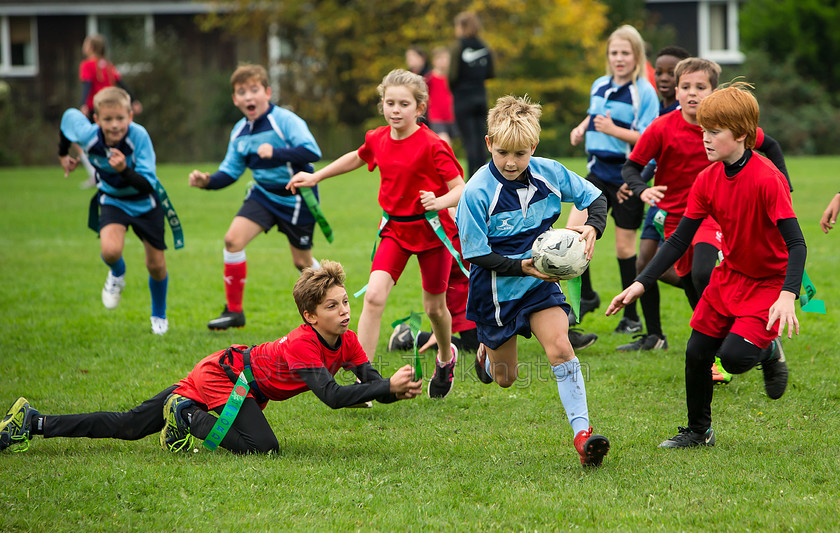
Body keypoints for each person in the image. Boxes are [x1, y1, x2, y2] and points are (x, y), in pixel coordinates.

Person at [0, 261, 423, 455]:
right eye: (332, 307)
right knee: (265, 448)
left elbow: (367, 382)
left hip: (231, 377)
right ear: (310, 316)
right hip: (227, 379)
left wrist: (394, 389)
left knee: (130, 426)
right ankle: (186, 418)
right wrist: (384, 386)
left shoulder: (345, 340)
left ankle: (32, 422)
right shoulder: (303, 343)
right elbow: (331, 396)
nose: (345, 311)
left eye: (344, 302)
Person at [606, 83, 805, 449]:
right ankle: (700, 432)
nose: (706, 139)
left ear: (743, 135)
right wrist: (641, 283)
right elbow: (679, 239)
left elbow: (797, 242)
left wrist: (788, 294)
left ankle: (769, 350)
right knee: (698, 352)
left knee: (733, 357)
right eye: (703, 131)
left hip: (768, 283)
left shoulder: (767, 178)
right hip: (730, 277)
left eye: (715, 132)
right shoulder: (707, 179)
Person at [287, 69, 465, 399]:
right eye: (389, 103)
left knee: (435, 309)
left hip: (432, 232)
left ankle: (444, 359)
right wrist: (316, 177)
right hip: (395, 230)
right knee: (373, 297)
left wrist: (437, 201)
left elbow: (460, 188)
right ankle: (364, 380)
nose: (395, 110)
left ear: (419, 108)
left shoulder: (434, 145)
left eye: (404, 104)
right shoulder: (378, 138)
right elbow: (357, 157)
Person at [457, 95, 611, 466]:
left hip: (541, 283)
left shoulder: (550, 172)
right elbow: (475, 254)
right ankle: (485, 353)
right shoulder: (477, 191)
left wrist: (592, 226)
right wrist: (522, 266)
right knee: (506, 378)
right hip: (495, 290)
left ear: (533, 147)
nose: (511, 162)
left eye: (521, 154)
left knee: (560, 348)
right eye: (504, 152)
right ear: (489, 144)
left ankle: (583, 436)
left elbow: (596, 198)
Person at [620, 58, 793, 374]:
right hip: (677, 218)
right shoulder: (661, 127)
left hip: (713, 217)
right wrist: (640, 188)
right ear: (676, 90)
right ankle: (732, 344)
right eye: (685, 87)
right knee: (687, 282)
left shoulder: (729, 126)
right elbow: (633, 167)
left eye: (701, 87)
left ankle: (732, 348)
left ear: (714, 91)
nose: (692, 94)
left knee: (702, 272)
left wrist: (783, 181)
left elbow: (770, 144)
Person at [189, 64, 323, 330]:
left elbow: (312, 152)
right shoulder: (239, 132)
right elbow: (230, 172)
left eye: (254, 90)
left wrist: (275, 153)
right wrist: (207, 182)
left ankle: (333, 300)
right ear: (235, 99)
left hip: (297, 196)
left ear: (267, 92)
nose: (249, 96)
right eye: (242, 92)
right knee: (232, 240)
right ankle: (234, 312)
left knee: (302, 262)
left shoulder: (285, 120)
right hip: (262, 195)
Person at [568, 25, 659, 334]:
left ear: (636, 56)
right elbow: (595, 115)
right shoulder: (600, 84)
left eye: (625, 53)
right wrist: (582, 128)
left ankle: (630, 316)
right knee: (572, 233)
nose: (619, 58)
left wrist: (613, 131)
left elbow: (649, 138)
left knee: (623, 249)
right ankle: (588, 297)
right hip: (595, 174)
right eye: (614, 53)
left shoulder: (644, 91)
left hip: (625, 177)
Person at [58, 87, 171, 335]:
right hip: (113, 200)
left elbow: (147, 183)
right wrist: (63, 153)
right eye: (107, 119)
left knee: (156, 266)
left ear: (130, 116)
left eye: (120, 118)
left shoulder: (139, 137)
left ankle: (159, 315)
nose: (115, 125)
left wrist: (123, 170)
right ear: (96, 119)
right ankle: (117, 274)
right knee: (110, 251)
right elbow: (68, 120)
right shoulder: (88, 135)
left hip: (145, 204)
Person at [77, 34, 143, 189]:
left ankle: (95, 174)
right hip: (113, 108)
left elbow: (87, 85)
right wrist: (133, 100)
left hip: (98, 109)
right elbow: (121, 83)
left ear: (91, 47)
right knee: (112, 140)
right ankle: (110, 171)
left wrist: (83, 105)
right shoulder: (108, 64)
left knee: (81, 141)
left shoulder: (87, 64)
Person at [449, 11, 494, 180]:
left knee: (469, 141)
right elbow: (491, 72)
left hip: (463, 99)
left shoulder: (458, 46)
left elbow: (452, 75)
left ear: (461, 26)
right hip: (480, 97)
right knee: (483, 140)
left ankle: (471, 180)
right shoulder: (484, 46)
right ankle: (486, 177)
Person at [426, 47, 457, 146]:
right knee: (444, 141)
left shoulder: (453, 78)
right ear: (434, 61)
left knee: (449, 143)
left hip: (452, 116)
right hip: (436, 116)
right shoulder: (429, 78)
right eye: (440, 58)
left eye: (445, 58)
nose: (443, 61)